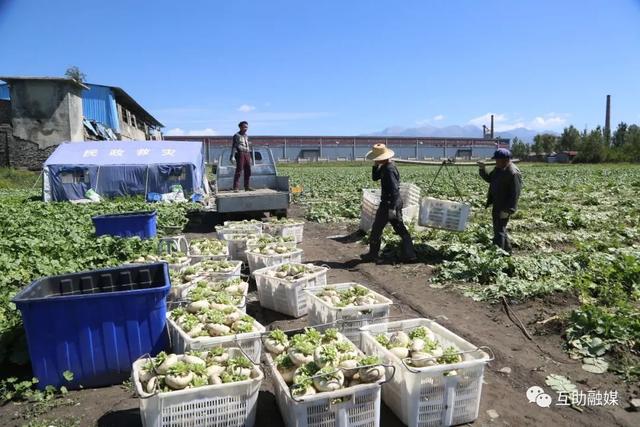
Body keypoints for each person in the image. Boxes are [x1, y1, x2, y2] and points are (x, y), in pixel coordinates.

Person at [361, 144, 417, 262]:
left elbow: (394, 188)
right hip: (391, 203)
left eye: (376, 158)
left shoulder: (389, 169)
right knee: (399, 228)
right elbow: (375, 178)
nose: (375, 160)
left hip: (389, 203)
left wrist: (392, 208)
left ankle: (373, 255)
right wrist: (375, 165)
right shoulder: (384, 166)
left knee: (377, 228)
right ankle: (410, 254)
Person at [478, 148, 522, 253]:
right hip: (497, 203)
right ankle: (506, 251)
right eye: (496, 160)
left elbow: (515, 194)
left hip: (505, 206)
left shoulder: (513, 173)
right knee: (499, 229)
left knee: (499, 230)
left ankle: (498, 252)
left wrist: (508, 210)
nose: (496, 162)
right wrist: (482, 169)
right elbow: (490, 179)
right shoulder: (499, 169)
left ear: (505, 160)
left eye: (497, 160)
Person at [230, 121, 253, 191]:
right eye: (244, 127)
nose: (246, 128)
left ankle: (247, 186)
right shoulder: (236, 135)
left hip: (247, 153)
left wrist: (250, 156)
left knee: (248, 170)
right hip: (240, 153)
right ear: (240, 127)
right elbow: (234, 146)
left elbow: (248, 145)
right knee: (239, 170)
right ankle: (236, 187)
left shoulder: (246, 135)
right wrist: (232, 156)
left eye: (247, 127)